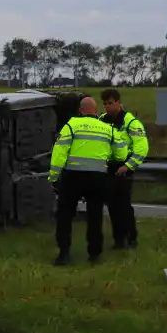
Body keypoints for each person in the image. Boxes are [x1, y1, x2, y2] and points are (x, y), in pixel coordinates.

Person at [49, 96, 127, 266]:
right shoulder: (108, 128)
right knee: (95, 216)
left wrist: (54, 177)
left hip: (73, 177)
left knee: (64, 216)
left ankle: (64, 254)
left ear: (80, 111)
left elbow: (59, 153)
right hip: (98, 177)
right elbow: (121, 153)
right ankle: (94, 254)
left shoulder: (71, 125)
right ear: (96, 111)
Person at [100, 88, 150, 250]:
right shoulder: (101, 120)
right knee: (112, 206)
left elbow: (141, 148)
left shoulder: (131, 122)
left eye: (110, 103)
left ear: (118, 103)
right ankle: (118, 240)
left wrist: (127, 167)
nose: (107, 107)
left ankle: (131, 238)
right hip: (107, 168)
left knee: (124, 206)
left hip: (124, 168)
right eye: (105, 104)